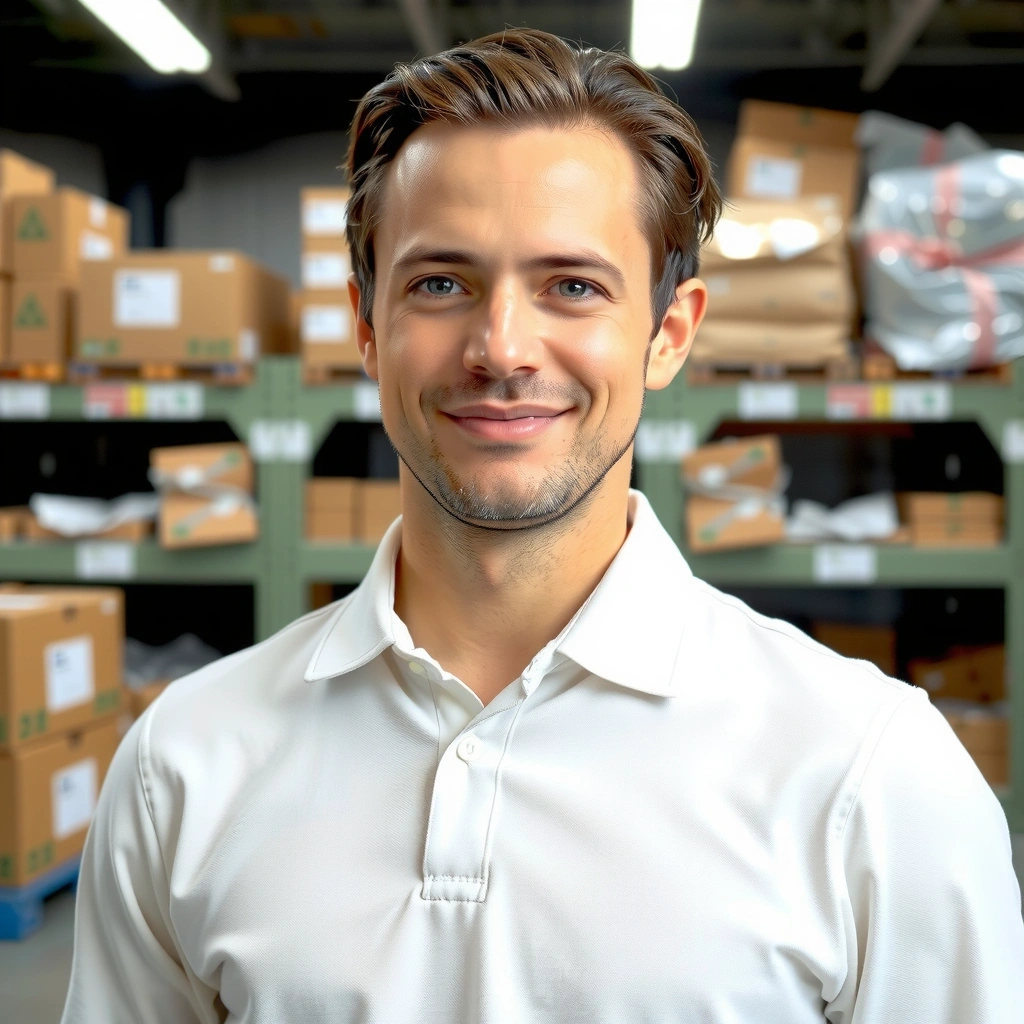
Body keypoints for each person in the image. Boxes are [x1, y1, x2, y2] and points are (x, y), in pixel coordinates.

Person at [62, 28, 1023, 1023]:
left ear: (668, 335)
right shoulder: (181, 765)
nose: (501, 348)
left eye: (572, 285)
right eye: (440, 283)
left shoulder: (869, 776)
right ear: (365, 325)